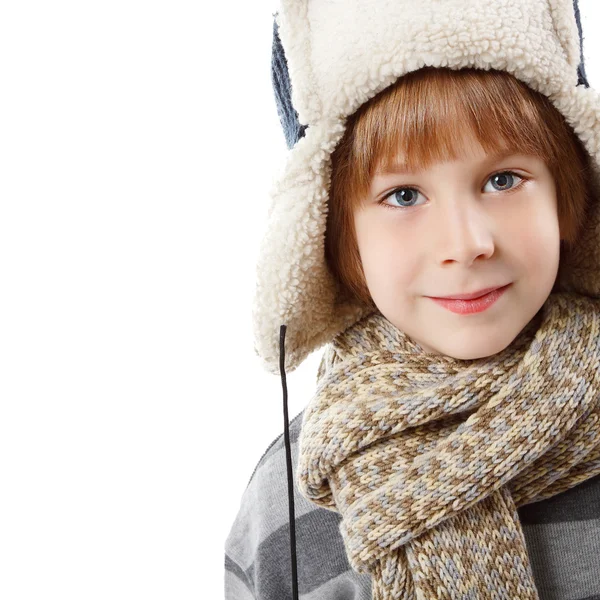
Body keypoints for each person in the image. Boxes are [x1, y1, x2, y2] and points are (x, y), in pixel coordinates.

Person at [225, 0, 600, 598]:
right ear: (334, 230)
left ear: (568, 192)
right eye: (403, 195)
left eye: (503, 180)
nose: (466, 244)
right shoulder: (285, 496)